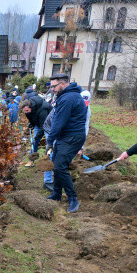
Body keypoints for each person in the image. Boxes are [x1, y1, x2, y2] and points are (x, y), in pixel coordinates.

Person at [45, 73, 87, 213]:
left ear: (63, 83)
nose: (53, 90)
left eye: (54, 86)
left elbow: (59, 122)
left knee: (60, 166)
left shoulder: (68, 99)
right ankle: (57, 194)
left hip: (72, 137)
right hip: (66, 137)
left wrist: (50, 141)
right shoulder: (67, 96)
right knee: (57, 165)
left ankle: (73, 198)